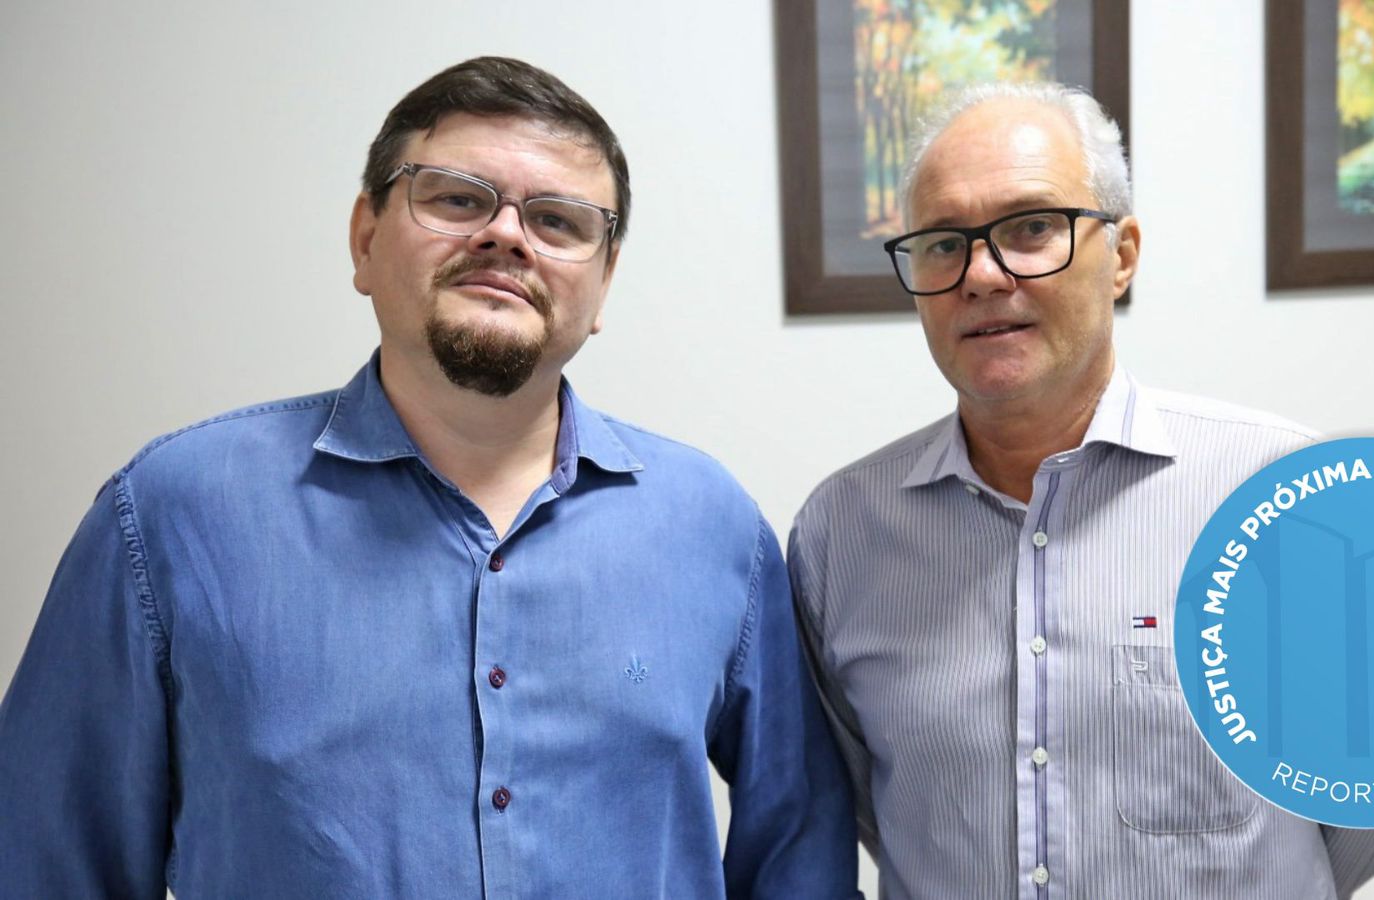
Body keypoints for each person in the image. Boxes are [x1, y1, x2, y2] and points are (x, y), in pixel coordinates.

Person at [0, 56, 858, 898]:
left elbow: (800, 862)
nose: (506, 234)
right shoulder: (170, 514)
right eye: (457, 198)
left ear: (602, 288)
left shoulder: (711, 526)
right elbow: (46, 861)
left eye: (559, 221)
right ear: (366, 238)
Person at [787, 82, 1374, 898]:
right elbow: (864, 808)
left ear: (1120, 255)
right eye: (944, 243)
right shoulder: (843, 533)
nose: (981, 274)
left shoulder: (1286, 499)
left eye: (1032, 227)